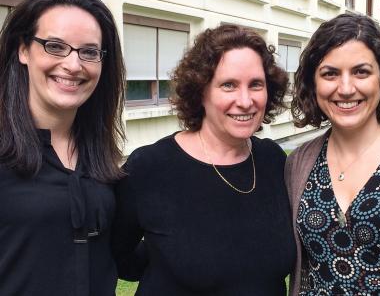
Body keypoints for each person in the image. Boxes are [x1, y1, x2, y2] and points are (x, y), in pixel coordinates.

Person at [112, 24, 296, 295]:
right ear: (201, 91)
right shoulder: (150, 167)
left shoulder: (273, 160)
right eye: (228, 85)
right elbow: (116, 257)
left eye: (255, 84)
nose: (245, 101)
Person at [0, 0, 126, 295]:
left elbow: (122, 255)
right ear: (23, 50)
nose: (73, 65)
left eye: (89, 52)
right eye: (55, 46)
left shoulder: (101, 158)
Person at [285, 13, 380, 295]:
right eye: (330, 73)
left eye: (361, 72)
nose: (345, 89)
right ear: (314, 83)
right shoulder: (299, 163)